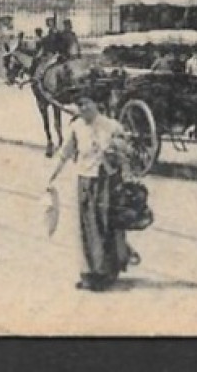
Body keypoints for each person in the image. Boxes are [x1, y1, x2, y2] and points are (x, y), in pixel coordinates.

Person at [49, 95, 135, 291]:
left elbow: (126, 155)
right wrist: (51, 177)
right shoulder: (76, 127)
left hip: (107, 182)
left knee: (105, 225)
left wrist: (120, 160)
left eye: (87, 103)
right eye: (79, 105)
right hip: (85, 181)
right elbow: (64, 154)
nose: (83, 108)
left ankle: (106, 272)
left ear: (97, 104)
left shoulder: (111, 126)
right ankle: (89, 273)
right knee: (86, 228)